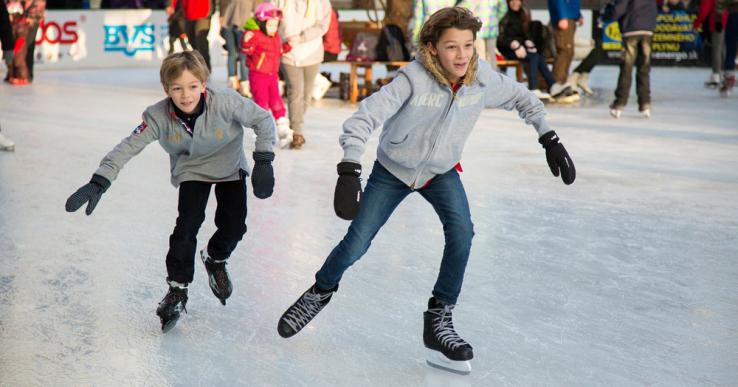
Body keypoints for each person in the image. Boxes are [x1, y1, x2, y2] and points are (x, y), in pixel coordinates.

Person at [276, 7, 575, 375]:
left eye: (468, 45)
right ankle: (320, 291)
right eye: (452, 47)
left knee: (462, 233)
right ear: (433, 48)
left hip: (441, 171)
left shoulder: (481, 80)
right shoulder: (412, 79)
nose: (462, 55)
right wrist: (350, 168)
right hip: (392, 170)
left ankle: (439, 318)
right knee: (356, 243)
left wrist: (549, 137)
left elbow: (524, 99)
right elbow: (364, 117)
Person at [64, 51, 277, 333]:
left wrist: (263, 159)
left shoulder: (225, 101)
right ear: (167, 90)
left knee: (234, 225)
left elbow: (263, 119)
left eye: (192, 86)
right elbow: (129, 146)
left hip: (229, 167)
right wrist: (101, 179)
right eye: (177, 88)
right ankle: (177, 289)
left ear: (203, 84)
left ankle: (215, 257)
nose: (186, 95)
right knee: (186, 227)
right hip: (191, 169)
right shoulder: (156, 116)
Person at [274, 0, 331, 149]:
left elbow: (323, 25)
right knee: (295, 91)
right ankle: (297, 132)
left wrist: (302, 37)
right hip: (288, 53)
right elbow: (268, 16)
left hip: (312, 52)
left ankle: (295, 124)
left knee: (306, 95)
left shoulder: (321, 3)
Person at [241, 2, 293, 147]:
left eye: (275, 25)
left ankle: (283, 128)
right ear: (262, 23)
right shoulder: (255, 35)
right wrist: (246, 41)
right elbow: (247, 51)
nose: (273, 28)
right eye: (270, 25)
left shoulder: (275, 36)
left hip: (272, 76)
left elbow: (278, 51)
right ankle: (263, 132)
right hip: (258, 76)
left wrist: (288, 46)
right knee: (262, 103)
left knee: (277, 101)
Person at [603, 0, 657, 118]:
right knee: (644, 68)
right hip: (647, 31)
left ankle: (619, 103)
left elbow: (618, 9)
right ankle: (645, 103)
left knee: (626, 68)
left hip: (631, 29)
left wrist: (605, 15)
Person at [497, 0, 556, 100]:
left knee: (539, 54)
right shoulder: (504, 16)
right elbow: (500, 39)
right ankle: (533, 88)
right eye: (512, 0)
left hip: (520, 47)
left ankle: (553, 85)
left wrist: (528, 42)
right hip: (506, 50)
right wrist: (514, 45)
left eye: (518, 0)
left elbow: (523, 34)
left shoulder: (522, 14)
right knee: (533, 57)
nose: (515, 3)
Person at [219, 0, 257, 96]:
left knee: (237, 55)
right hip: (238, 26)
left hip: (231, 24)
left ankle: (238, 84)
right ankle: (240, 85)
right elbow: (257, 12)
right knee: (240, 55)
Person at [547, 0, 582, 100]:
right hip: (564, 17)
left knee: (569, 52)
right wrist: (561, 16)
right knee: (564, 50)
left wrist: (578, 14)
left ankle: (563, 83)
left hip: (570, 15)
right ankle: (557, 85)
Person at [694, 0, 729, 88]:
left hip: (718, 19)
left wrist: (696, 24)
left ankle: (716, 75)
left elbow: (704, 9)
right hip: (729, 19)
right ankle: (727, 73)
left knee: (717, 48)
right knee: (723, 47)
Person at [173, 0, 213, 70]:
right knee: (192, 41)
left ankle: (206, 67)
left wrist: (209, 13)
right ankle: (198, 64)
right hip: (189, 16)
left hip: (203, 16)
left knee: (200, 40)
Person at [466, 0, 508, 69]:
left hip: (479, 29)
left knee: (481, 56)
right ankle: (490, 77)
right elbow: (503, 8)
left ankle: (483, 77)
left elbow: (468, 9)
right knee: (490, 56)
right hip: (489, 29)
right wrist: (496, 19)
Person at [717, 0, 738, 96]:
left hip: (734, 15)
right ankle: (729, 79)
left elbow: (720, 3)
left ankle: (728, 79)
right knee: (731, 49)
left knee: (731, 50)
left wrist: (718, 18)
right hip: (733, 15)